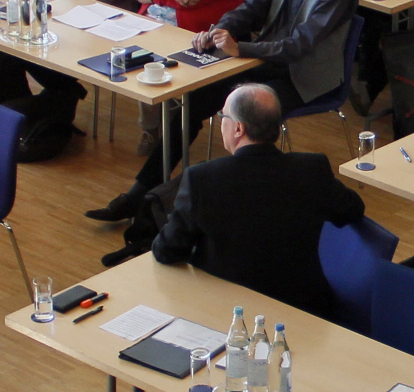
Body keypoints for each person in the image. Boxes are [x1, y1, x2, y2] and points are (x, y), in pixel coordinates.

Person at [97, 0, 353, 216]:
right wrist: (220, 30)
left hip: (302, 77)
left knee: (244, 116)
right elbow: (252, 7)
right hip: (264, 62)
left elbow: (298, 46)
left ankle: (195, 206)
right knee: (191, 100)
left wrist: (240, 49)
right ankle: (141, 192)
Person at [151, 84, 366, 318]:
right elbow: (352, 210)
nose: (221, 120)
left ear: (238, 128)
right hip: (305, 310)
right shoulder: (311, 169)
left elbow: (167, 250)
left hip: (229, 316)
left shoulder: (202, 179)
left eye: (223, 116)